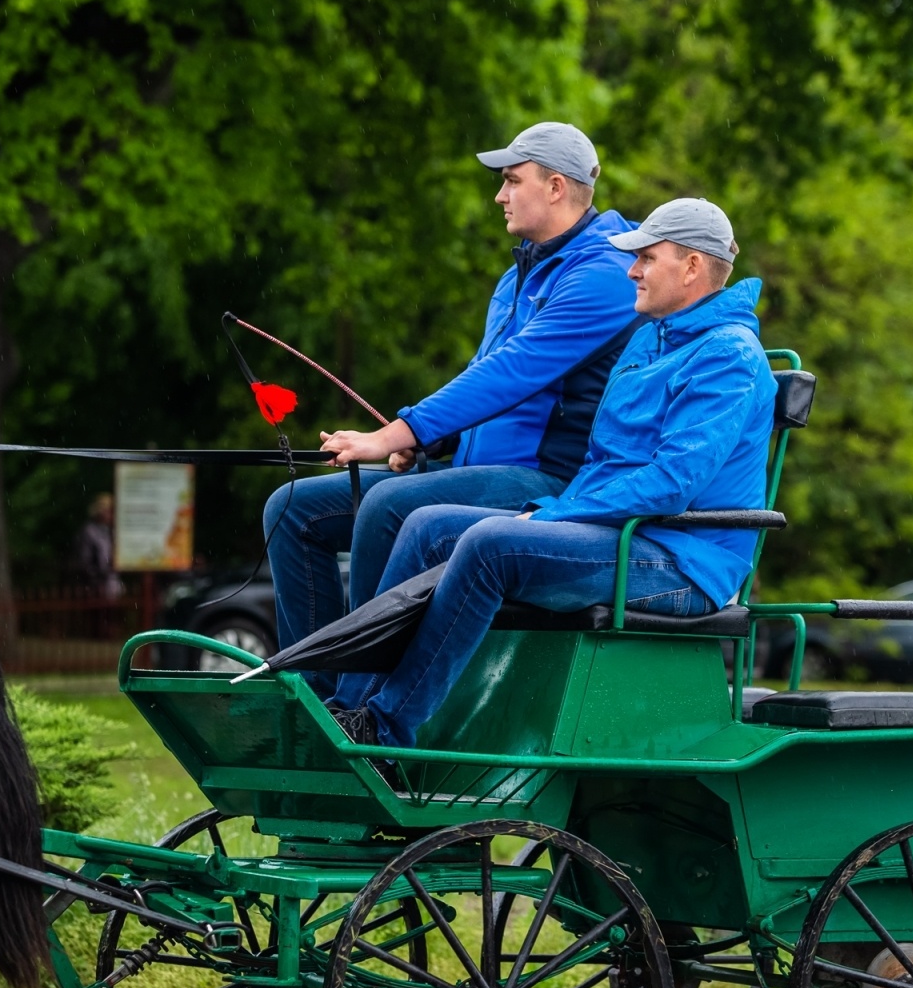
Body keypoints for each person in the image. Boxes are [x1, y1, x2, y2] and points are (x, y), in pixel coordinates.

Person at [327, 198, 774, 750]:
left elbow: (671, 483)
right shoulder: (647, 339)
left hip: (681, 559)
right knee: (424, 524)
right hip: (622, 533)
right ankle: (345, 711)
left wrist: (558, 512)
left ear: (691, 267)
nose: (631, 270)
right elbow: (599, 453)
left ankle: (386, 729)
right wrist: (444, 438)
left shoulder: (729, 356)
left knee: (492, 543)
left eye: (646, 258)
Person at [262, 123, 642, 688]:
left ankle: (356, 703)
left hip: (547, 482)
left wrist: (397, 432)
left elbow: (512, 373)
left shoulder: (605, 275)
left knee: (388, 506)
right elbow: (482, 375)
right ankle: (310, 686)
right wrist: (435, 441)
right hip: (481, 470)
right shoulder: (519, 274)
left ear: (557, 187)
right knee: (292, 509)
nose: (500, 195)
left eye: (513, 180)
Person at [71, 493, 125, 598]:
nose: (112, 514)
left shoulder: (112, 531)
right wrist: (101, 573)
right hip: (96, 588)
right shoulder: (89, 532)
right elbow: (84, 562)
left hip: (113, 588)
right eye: (109, 510)